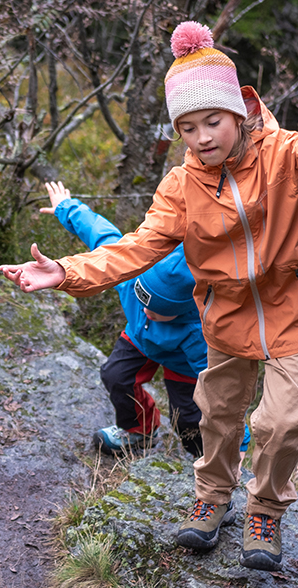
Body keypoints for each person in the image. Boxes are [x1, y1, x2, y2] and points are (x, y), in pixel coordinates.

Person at [0, 21, 298, 572]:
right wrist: (65, 272)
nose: (203, 136)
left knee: (282, 422)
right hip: (226, 315)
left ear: (238, 112)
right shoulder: (180, 187)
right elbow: (134, 247)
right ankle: (212, 498)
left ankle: (264, 509)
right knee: (216, 412)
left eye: (212, 121)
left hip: (294, 308)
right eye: (188, 128)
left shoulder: (286, 156)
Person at [38, 180, 208, 458]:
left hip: (184, 362)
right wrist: (66, 208)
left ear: (182, 310)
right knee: (115, 376)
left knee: (188, 416)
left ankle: (210, 460)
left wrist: (239, 441)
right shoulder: (132, 280)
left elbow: (218, 389)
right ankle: (138, 431)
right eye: (142, 300)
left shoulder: (196, 330)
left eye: (155, 310)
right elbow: (102, 236)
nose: (145, 309)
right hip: (140, 338)